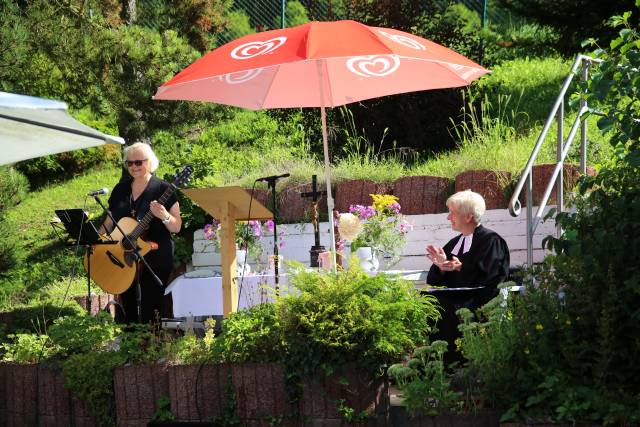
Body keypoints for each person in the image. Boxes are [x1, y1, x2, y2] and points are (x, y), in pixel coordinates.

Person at [101, 142, 182, 323]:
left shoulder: (163, 189)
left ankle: (151, 346)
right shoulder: (120, 189)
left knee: (150, 308)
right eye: (129, 163)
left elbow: (176, 227)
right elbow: (108, 223)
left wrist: (164, 215)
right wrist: (98, 243)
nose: (134, 167)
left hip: (154, 258)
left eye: (138, 162)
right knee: (128, 307)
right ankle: (131, 347)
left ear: (150, 162)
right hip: (124, 258)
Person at [425, 190, 510, 361]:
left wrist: (461, 268)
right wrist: (441, 266)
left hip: (478, 304)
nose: (449, 217)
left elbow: (491, 276)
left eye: (452, 213)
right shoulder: (454, 243)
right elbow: (434, 281)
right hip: (455, 302)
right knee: (431, 302)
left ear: (468, 217)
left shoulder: (491, 241)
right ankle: (439, 364)